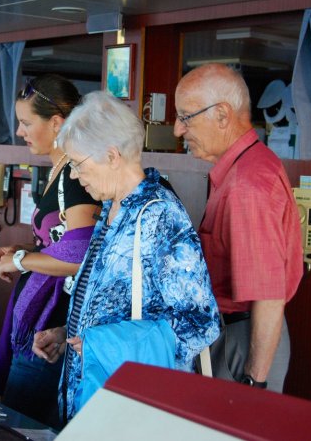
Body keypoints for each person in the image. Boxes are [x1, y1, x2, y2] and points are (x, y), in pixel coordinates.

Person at [32, 91, 220, 422]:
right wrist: (70, 334)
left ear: (111, 155)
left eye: (77, 163)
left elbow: (199, 323)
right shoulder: (110, 209)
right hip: (93, 397)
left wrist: (103, 344)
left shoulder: (159, 216)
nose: (74, 175)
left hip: (130, 407)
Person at [173, 63, 303, 392]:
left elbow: (268, 296)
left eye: (185, 117)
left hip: (244, 339)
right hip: (234, 332)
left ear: (221, 114)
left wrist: (254, 381)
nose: (177, 129)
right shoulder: (240, 169)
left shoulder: (247, 183)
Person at [0, 75, 100, 428]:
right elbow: (57, 241)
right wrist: (22, 250)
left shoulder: (73, 176)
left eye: (26, 123)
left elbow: (78, 254)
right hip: (39, 316)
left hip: (53, 324)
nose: (20, 132)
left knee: (21, 426)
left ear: (56, 123)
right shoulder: (57, 169)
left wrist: (21, 260)